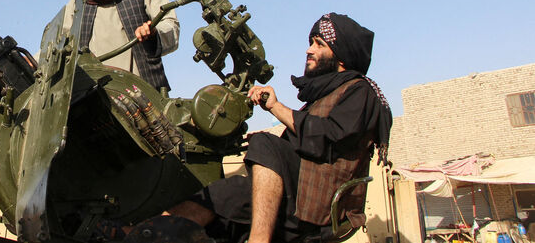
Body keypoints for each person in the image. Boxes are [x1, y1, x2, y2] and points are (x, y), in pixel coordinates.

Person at [166, 13, 393, 243]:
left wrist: (275, 108)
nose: (309, 50)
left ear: (341, 56)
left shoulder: (359, 91)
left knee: (265, 143)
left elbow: (327, 137)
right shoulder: (323, 96)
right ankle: (151, 231)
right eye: (311, 43)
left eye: (319, 44)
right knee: (220, 198)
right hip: (297, 191)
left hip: (316, 202)